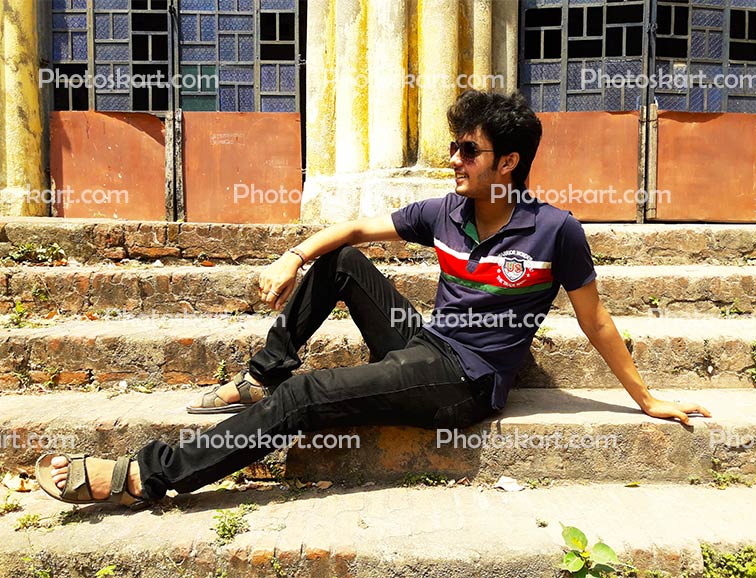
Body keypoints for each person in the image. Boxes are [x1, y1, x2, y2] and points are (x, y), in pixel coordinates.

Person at [37, 90, 711, 506]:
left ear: (508, 163)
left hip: (465, 382)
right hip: (425, 344)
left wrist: (646, 399)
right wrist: (295, 255)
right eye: (453, 146)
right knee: (343, 259)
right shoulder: (448, 210)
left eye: (468, 151)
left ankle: (141, 476)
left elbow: (596, 323)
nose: (454, 159)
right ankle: (260, 377)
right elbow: (357, 227)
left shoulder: (555, 230)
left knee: (307, 398)